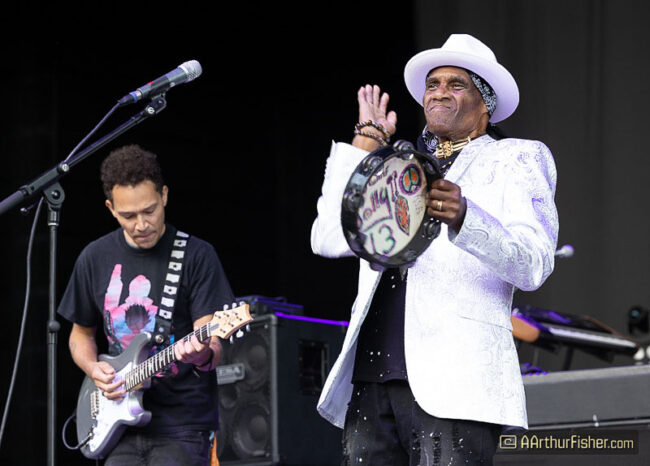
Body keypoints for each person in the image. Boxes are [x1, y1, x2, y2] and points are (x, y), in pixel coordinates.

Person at [311, 34, 558, 464]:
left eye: (456, 84)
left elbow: (534, 264)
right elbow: (328, 237)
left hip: (456, 381)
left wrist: (467, 217)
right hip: (371, 378)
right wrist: (363, 146)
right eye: (433, 84)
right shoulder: (399, 168)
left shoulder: (516, 158)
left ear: (486, 103)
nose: (439, 92)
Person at [57, 144, 235, 465]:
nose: (141, 224)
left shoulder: (197, 256)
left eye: (149, 210)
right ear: (111, 208)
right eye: (128, 215)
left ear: (164, 195)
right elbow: (80, 334)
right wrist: (93, 369)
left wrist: (201, 353)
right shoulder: (94, 258)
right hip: (117, 424)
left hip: (182, 426)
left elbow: (213, 346)